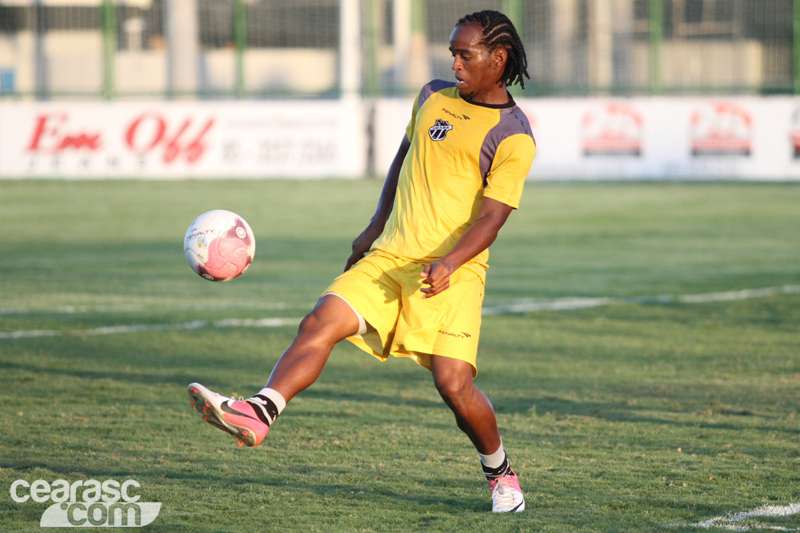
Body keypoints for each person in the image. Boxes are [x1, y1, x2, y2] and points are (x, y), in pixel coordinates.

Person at [188, 9, 536, 513]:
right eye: (453, 54)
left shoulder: (513, 134)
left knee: (454, 385)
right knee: (320, 321)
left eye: (466, 54)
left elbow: (492, 219)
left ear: (498, 59)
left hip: (452, 273)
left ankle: (500, 472)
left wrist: (451, 263)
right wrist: (375, 225)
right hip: (390, 253)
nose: (456, 64)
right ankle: (259, 411)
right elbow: (402, 157)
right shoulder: (432, 96)